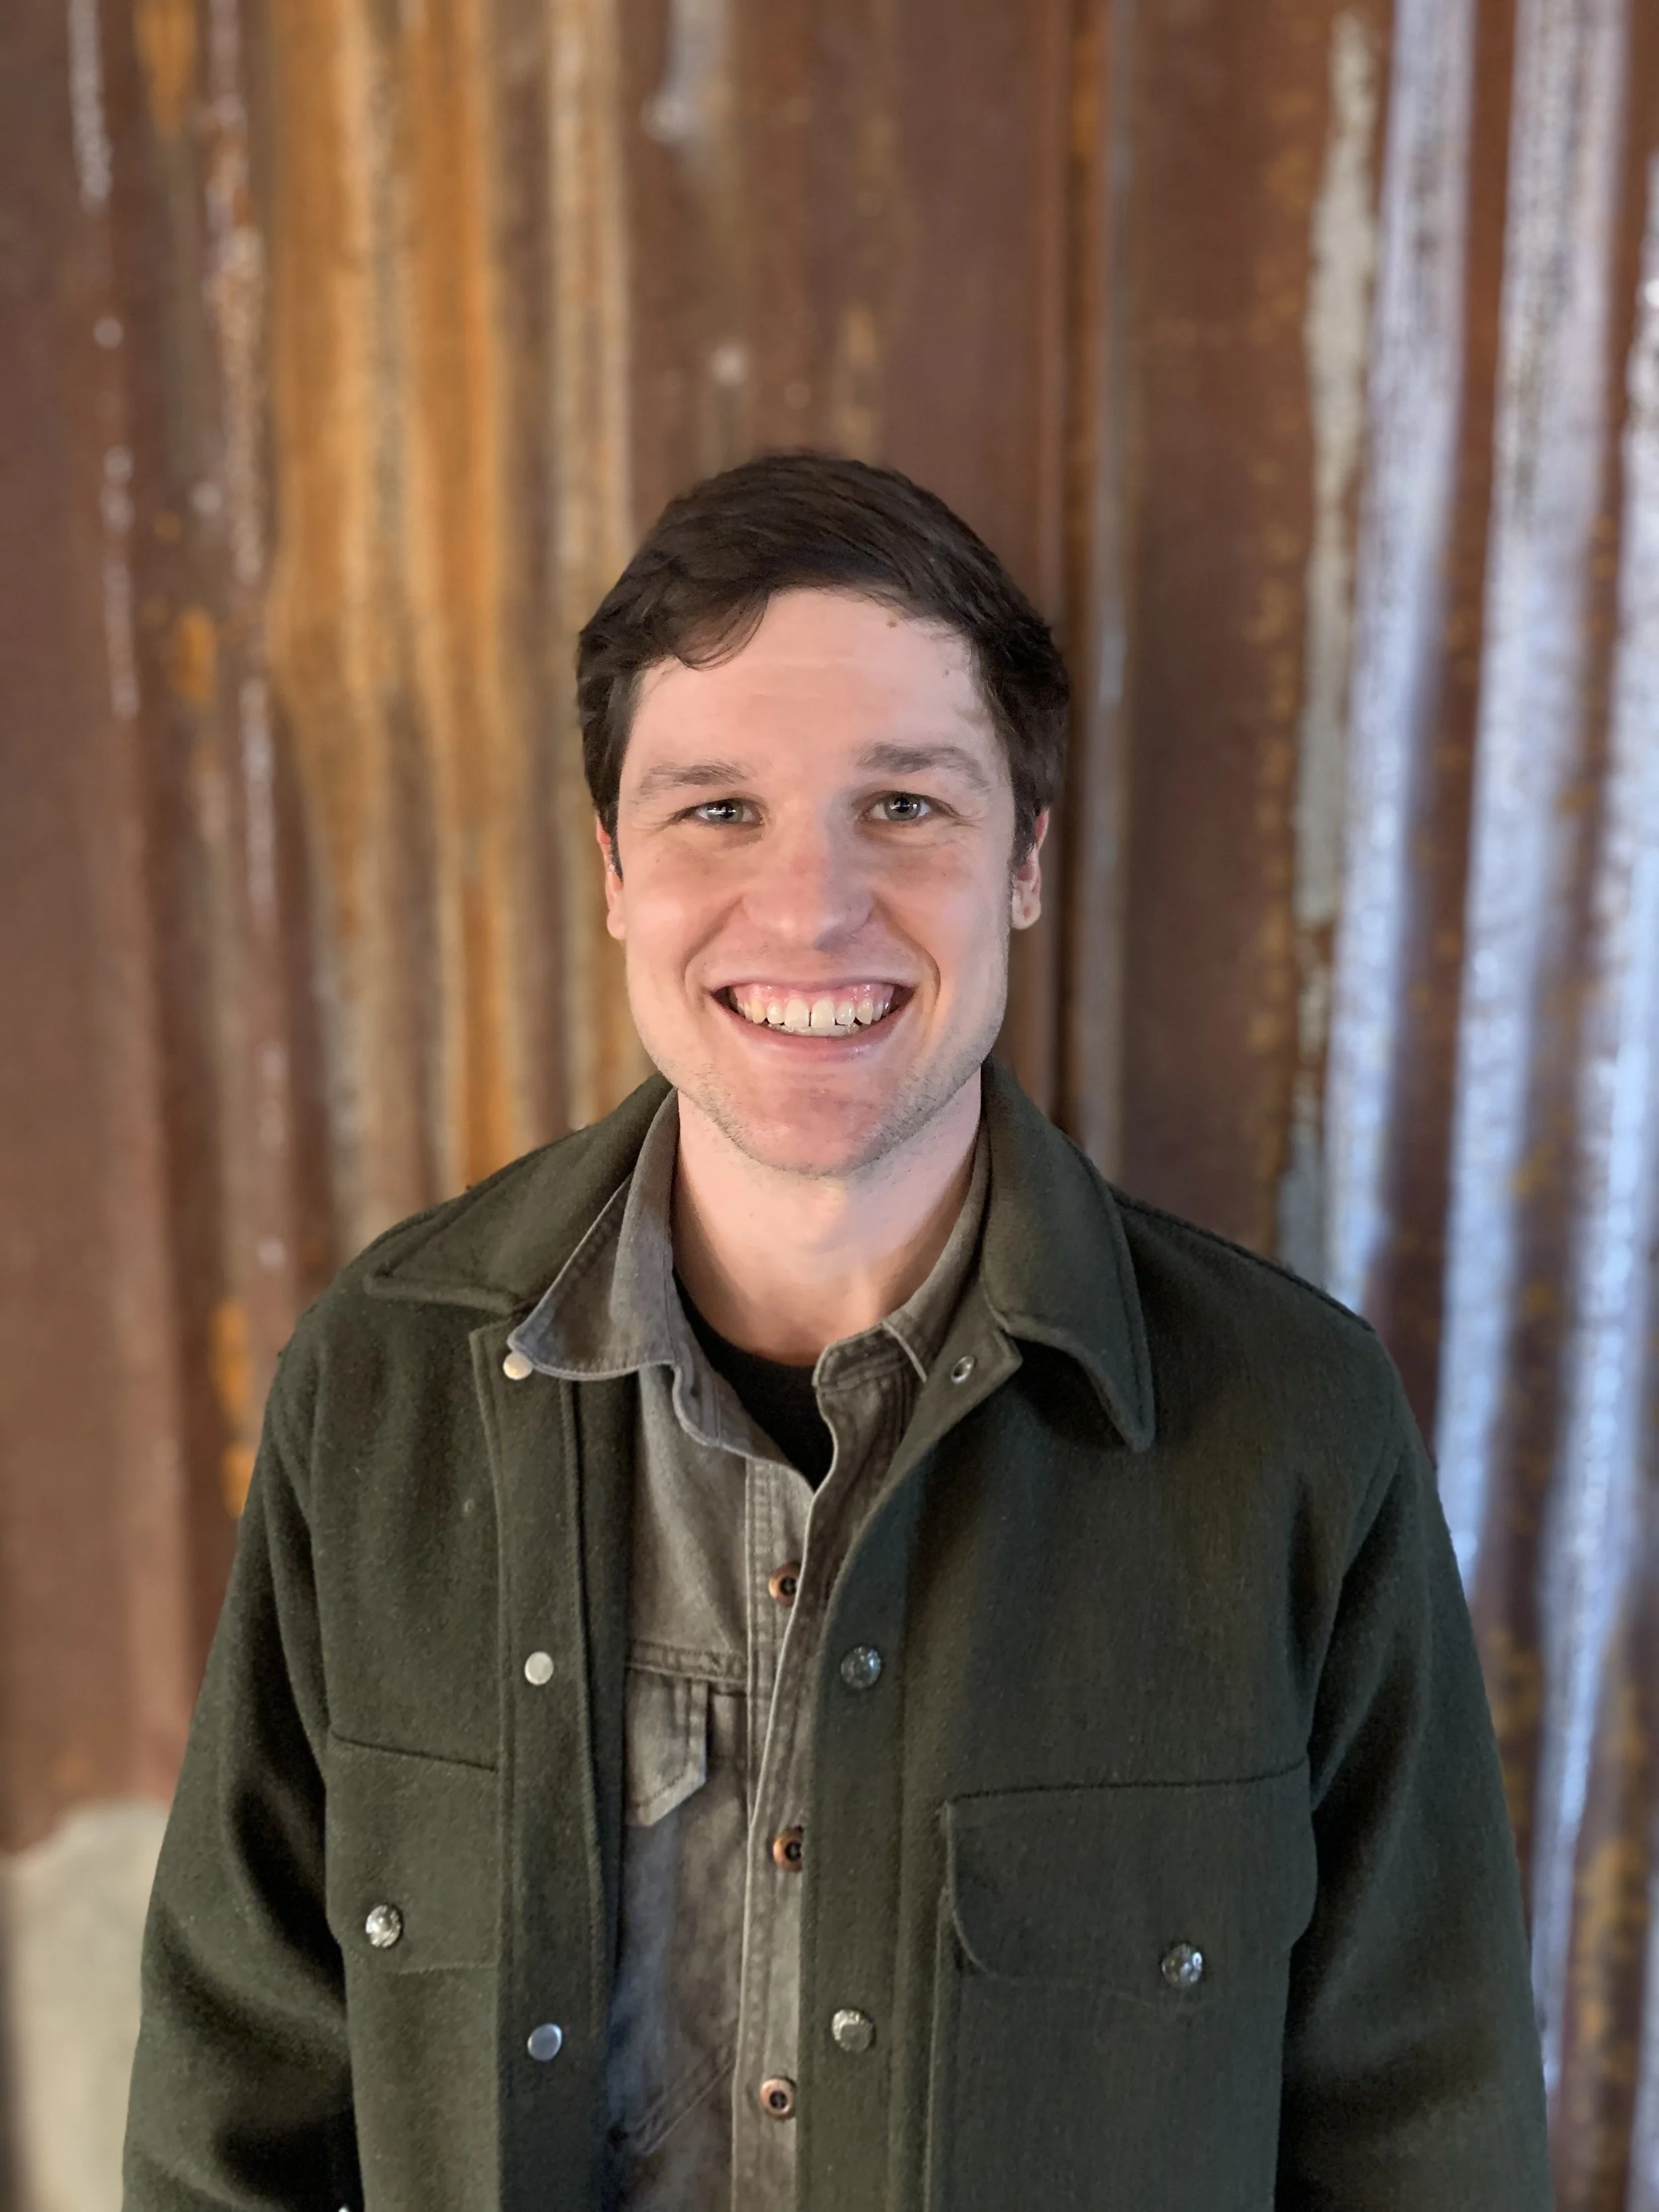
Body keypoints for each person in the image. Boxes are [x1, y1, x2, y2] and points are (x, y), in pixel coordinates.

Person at [124, 451, 1551, 2211]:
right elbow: (229, 2114)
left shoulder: (1287, 1427)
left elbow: (1427, 2145)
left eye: (901, 805)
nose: (806, 908)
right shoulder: (386, 1379)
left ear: (1023, 859)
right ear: (611, 873)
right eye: (715, 809)